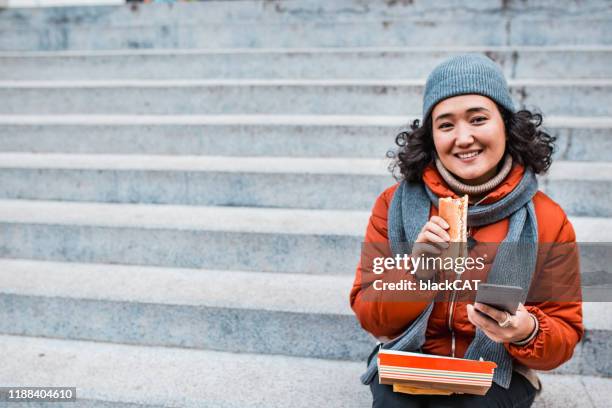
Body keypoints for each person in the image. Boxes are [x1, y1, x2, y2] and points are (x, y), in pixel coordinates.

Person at [349, 54, 583, 408]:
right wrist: (417, 274)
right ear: (431, 137)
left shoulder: (549, 219)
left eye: (478, 119)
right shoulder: (392, 205)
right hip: (411, 359)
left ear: (506, 125)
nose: (463, 138)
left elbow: (564, 335)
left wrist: (527, 330)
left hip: (498, 371)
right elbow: (369, 314)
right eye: (445, 125)